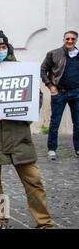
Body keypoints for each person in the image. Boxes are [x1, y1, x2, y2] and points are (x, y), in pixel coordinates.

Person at [0, 29, 53, 229]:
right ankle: (0, 219)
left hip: (18, 137)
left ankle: (44, 222)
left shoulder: (21, 70)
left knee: (33, 181)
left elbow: (37, 98)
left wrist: (24, 112)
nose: (0, 50)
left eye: (3, 47)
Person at [41, 30, 79, 160]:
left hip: (76, 93)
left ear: (76, 40)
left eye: (73, 39)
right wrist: (50, 86)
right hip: (59, 92)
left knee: (78, 123)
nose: (70, 41)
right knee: (55, 122)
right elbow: (43, 70)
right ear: (63, 39)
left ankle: (78, 148)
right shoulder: (54, 53)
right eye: (67, 38)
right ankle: (52, 149)